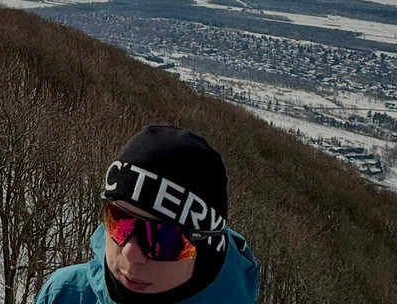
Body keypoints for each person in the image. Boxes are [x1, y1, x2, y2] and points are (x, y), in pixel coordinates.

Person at [35, 125, 258, 303]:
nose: (131, 252)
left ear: (208, 250)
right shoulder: (65, 293)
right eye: (119, 221)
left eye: (163, 239)